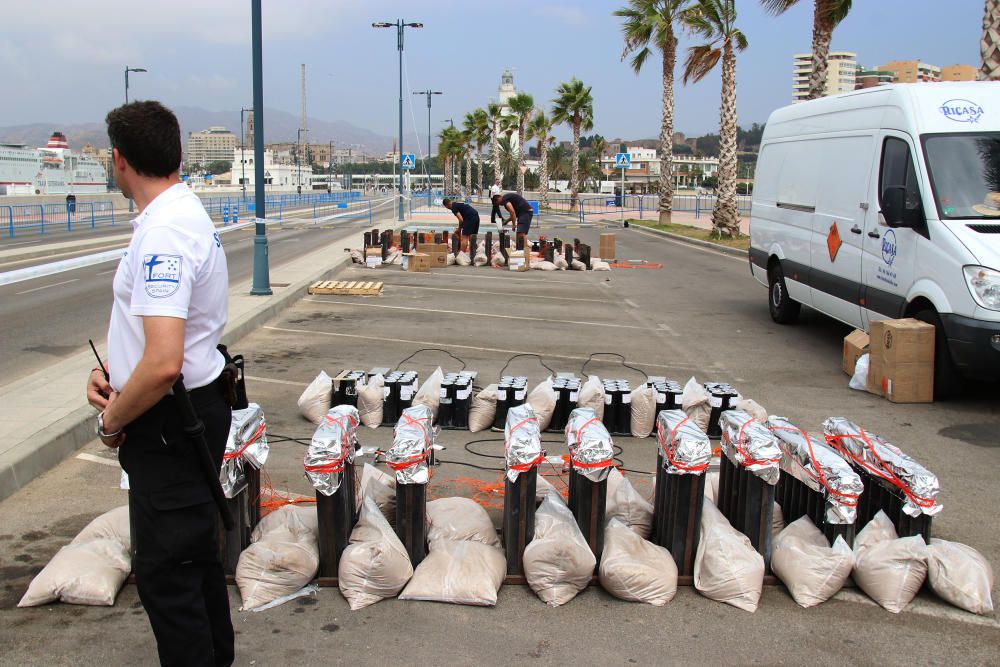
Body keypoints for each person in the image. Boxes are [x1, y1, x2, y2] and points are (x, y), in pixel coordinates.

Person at [86, 101, 234, 667]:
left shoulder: (164, 235)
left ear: (119, 160)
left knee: (166, 574)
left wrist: (111, 420)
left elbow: (166, 361)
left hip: (170, 421)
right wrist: (113, 374)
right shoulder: (183, 214)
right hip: (187, 408)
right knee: (192, 559)